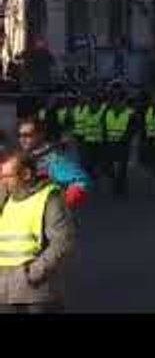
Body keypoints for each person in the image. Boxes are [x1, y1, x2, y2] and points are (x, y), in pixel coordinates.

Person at [0, 148, 75, 313]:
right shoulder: (5, 198)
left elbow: (62, 242)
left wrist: (32, 274)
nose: (2, 181)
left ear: (26, 174)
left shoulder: (49, 197)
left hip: (36, 294)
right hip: (4, 292)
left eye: (7, 176)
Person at [18, 118, 90, 211]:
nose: (22, 139)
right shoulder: (23, 157)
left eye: (27, 135)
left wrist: (57, 206)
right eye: (19, 135)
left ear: (40, 135)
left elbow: (82, 182)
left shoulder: (54, 158)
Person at [104, 90, 136, 198]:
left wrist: (126, 139)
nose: (116, 104)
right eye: (114, 101)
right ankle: (115, 184)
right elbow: (104, 127)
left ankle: (120, 189)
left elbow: (133, 129)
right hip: (110, 144)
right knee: (109, 167)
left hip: (123, 145)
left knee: (122, 168)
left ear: (123, 102)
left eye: (119, 101)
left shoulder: (130, 113)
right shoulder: (107, 112)